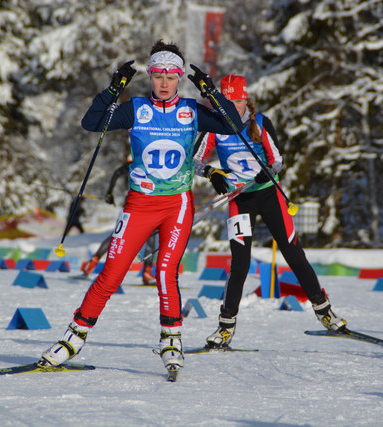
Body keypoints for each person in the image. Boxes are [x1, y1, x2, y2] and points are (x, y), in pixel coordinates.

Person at [39, 40, 241, 372]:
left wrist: (212, 92)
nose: (163, 83)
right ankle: (72, 340)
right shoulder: (136, 109)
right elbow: (92, 123)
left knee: (165, 271)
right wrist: (113, 88)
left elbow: (233, 125)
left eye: (171, 76)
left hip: (176, 205)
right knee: (112, 273)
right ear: (150, 77)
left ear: (179, 78)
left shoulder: (191, 110)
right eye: (157, 75)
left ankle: (171, 340)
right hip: (139, 203)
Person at [193, 75, 347, 349]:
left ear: (246, 99)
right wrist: (212, 172)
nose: (235, 106)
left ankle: (325, 312)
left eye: (239, 100)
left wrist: (267, 173)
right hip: (239, 199)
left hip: (268, 194)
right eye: (228, 101)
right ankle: (225, 327)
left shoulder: (260, 123)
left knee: (293, 253)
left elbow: (277, 161)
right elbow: (194, 160)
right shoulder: (213, 127)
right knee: (239, 263)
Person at [80, 155, 158, 286]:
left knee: (119, 236)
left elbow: (117, 172)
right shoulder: (146, 162)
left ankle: (91, 264)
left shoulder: (139, 160)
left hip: (138, 206)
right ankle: (147, 273)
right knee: (147, 237)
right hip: (139, 206)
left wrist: (109, 193)